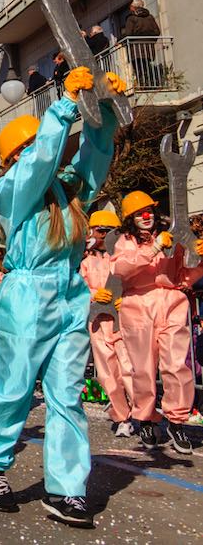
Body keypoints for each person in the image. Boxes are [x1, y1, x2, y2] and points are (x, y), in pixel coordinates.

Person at [0, 67, 123, 527]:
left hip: (70, 295)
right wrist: (62, 107)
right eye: (24, 149)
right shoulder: (8, 191)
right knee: (13, 388)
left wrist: (102, 115)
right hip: (24, 298)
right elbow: (38, 166)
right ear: (12, 158)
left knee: (66, 396)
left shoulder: (70, 195)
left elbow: (94, 163)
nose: (35, 155)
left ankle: (67, 489)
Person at [111, 190, 203, 455]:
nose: (146, 216)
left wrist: (199, 259)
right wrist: (153, 248)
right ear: (130, 219)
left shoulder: (172, 239)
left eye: (148, 211)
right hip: (138, 306)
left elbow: (185, 275)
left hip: (172, 301)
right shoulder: (126, 242)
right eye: (139, 213)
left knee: (177, 366)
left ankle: (176, 421)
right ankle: (146, 417)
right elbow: (121, 269)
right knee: (143, 368)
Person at [82, 210, 135, 438]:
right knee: (107, 374)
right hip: (97, 322)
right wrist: (93, 295)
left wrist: (130, 299)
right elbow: (78, 289)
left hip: (123, 321)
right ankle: (122, 417)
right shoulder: (86, 262)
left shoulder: (125, 258)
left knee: (129, 368)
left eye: (107, 231)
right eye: (99, 230)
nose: (102, 235)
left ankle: (142, 415)